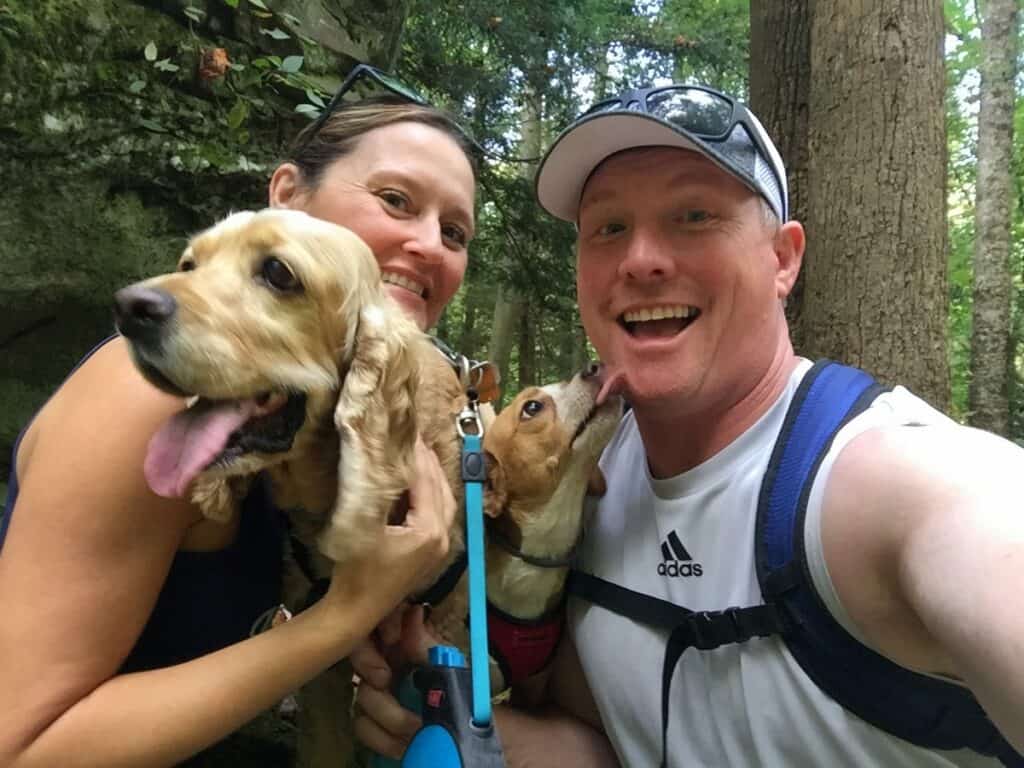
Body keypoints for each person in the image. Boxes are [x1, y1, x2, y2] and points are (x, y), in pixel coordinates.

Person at [352, 83, 1024, 767]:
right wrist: (485, 742)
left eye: (694, 215)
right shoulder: (587, 488)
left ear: (783, 258)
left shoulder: (884, 482)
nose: (642, 259)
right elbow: (607, 746)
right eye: (609, 228)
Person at [0, 64, 479, 768]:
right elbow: (19, 747)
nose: (431, 244)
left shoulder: (277, 423)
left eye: (456, 233)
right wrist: (343, 613)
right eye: (395, 199)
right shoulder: (149, 401)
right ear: (287, 194)